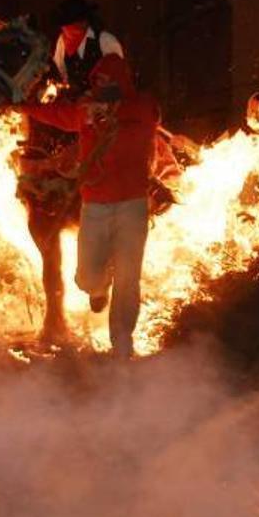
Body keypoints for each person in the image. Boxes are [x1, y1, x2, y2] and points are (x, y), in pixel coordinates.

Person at [15, 54, 158, 360]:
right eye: (97, 82)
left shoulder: (142, 106)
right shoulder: (86, 112)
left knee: (128, 276)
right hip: (95, 206)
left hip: (132, 205)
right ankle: (98, 285)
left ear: (120, 82)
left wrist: (111, 114)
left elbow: (145, 118)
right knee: (86, 278)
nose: (100, 86)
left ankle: (122, 343)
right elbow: (57, 114)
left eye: (106, 81)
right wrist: (23, 107)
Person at [51, 0, 125, 98]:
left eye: (72, 24)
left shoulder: (105, 40)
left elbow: (120, 77)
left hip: (103, 105)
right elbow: (61, 72)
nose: (68, 30)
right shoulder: (62, 42)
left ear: (84, 22)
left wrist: (95, 94)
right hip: (76, 105)